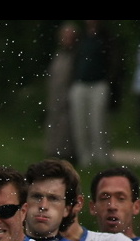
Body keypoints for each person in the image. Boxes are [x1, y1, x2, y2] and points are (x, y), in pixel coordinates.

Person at [68, 20, 121, 168]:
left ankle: (102, 156)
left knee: (98, 122)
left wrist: (109, 80)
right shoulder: (81, 38)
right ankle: (84, 156)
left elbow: (114, 60)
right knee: (80, 122)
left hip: (98, 83)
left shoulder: (106, 38)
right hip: (80, 83)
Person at [44, 22, 78, 163]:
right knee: (54, 124)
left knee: (68, 126)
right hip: (55, 96)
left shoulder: (76, 56)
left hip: (68, 97)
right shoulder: (59, 55)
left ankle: (68, 154)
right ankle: (53, 152)